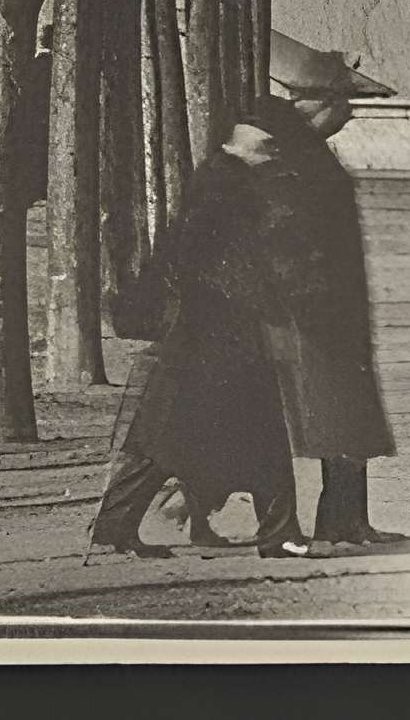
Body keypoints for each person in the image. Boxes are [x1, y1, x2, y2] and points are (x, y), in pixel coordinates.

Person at [91, 111, 311, 560]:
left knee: (167, 439)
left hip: (207, 335)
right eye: (268, 146)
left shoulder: (223, 182)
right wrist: (265, 300)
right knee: (247, 437)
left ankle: (116, 526)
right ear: (244, 143)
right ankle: (278, 535)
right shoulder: (228, 191)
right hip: (223, 336)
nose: (273, 155)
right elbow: (225, 263)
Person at [248, 77, 402, 546]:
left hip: (335, 309)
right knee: (338, 418)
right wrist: (309, 299)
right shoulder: (294, 161)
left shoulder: (308, 154)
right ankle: (338, 521)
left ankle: (347, 519)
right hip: (317, 315)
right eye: (343, 102)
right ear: (316, 104)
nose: (350, 112)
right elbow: (286, 240)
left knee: (348, 417)